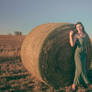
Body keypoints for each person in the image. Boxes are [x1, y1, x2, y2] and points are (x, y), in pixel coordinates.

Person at [69, 22, 90, 91]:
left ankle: (76, 84)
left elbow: (86, 44)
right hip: (78, 54)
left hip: (84, 54)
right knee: (80, 69)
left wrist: (87, 51)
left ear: (82, 27)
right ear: (76, 28)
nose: (79, 28)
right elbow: (72, 45)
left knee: (81, 69)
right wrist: (70, 35)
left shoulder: (85, 35)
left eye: (80, 26)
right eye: (77, 27)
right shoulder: (76, 35)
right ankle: (86, 83)